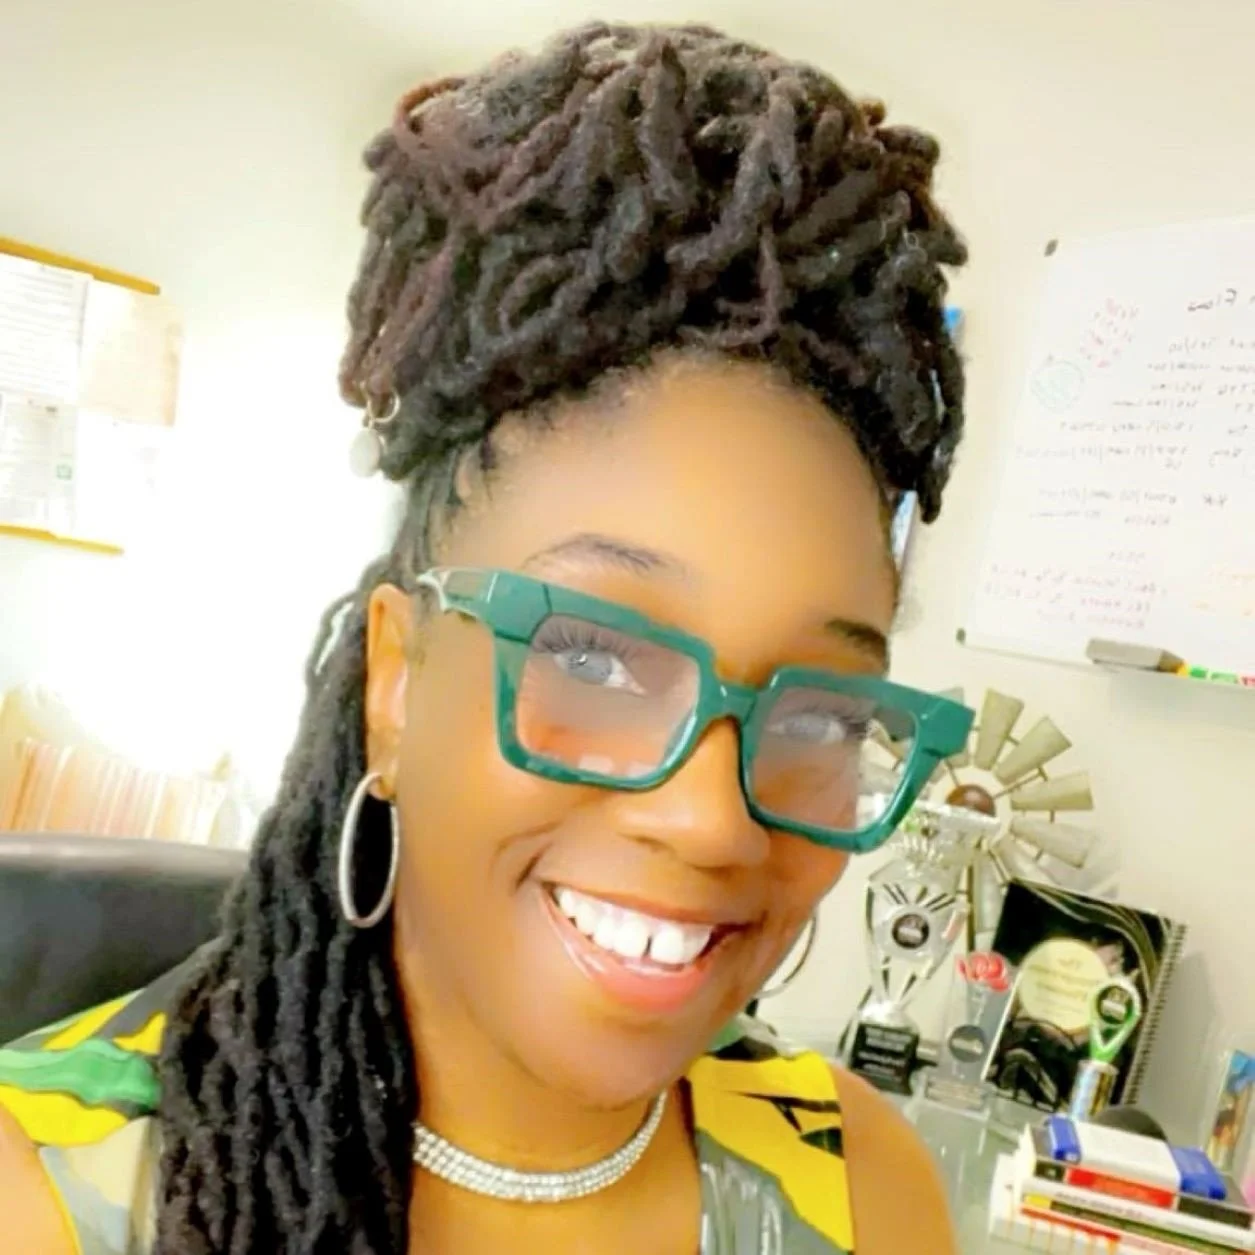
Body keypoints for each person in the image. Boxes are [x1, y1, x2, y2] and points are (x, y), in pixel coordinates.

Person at [0, 21, 971, 1254]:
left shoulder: (858, 1190)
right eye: (594, 657)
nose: (713, 819)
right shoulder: (50, 1194)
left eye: (823, 711)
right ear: (398, 685)